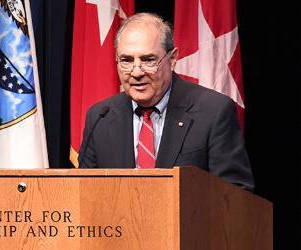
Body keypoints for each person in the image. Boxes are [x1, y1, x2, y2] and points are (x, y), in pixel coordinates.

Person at [78, 12, 254, 191]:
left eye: (148, 60)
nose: (136, 72)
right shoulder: (100, 117)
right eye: (126, 60)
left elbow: (235, 196)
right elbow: (83, 194)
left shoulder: (213, 112)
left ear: (172, 59)